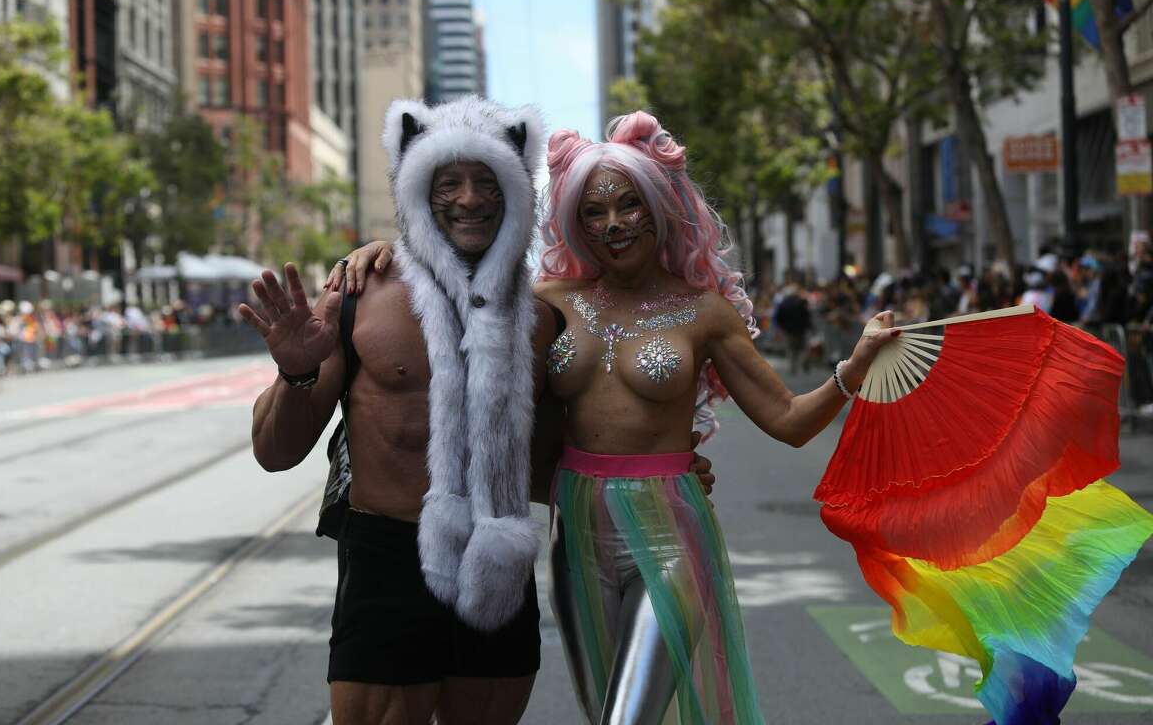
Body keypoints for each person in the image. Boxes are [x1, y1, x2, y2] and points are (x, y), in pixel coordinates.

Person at [345, 111, 897, 724]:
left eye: (628, 204)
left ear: (658, 207)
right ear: (575, 224)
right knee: (603, 709)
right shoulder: (548, 302)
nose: (612, 224)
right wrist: (385, 253)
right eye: (592, 212)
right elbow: (462, 296)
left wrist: (856, 365)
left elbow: (789, 420)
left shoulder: (704, 312)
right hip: (575, 528)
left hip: (669, 532)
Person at [245, 98, 715, 725]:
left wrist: (660, 477)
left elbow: (553, 459)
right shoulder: (359, 296)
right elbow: (275, 454)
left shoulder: (544, 317)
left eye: (488, 181)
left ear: (516, 191)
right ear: (418, 189)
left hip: (499, 566)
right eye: (448, 181)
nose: (469, 199)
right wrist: (296, 370)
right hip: (389, 562)